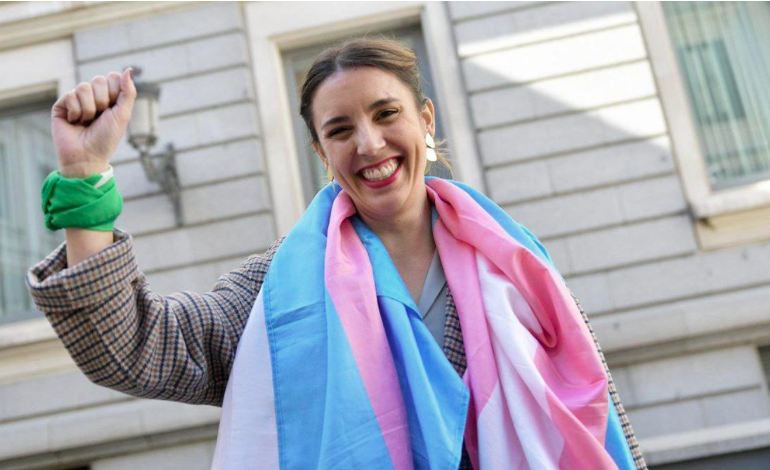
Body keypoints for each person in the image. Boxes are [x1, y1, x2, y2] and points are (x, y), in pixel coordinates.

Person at [27, 38, 646, 470]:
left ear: (426, 121)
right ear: (322, 153)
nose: (369, 144)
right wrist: (85, 178)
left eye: (386, 114)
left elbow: (599, 426)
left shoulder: (514, 264)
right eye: (341, 130)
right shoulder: (277, 291)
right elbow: (134, 349)